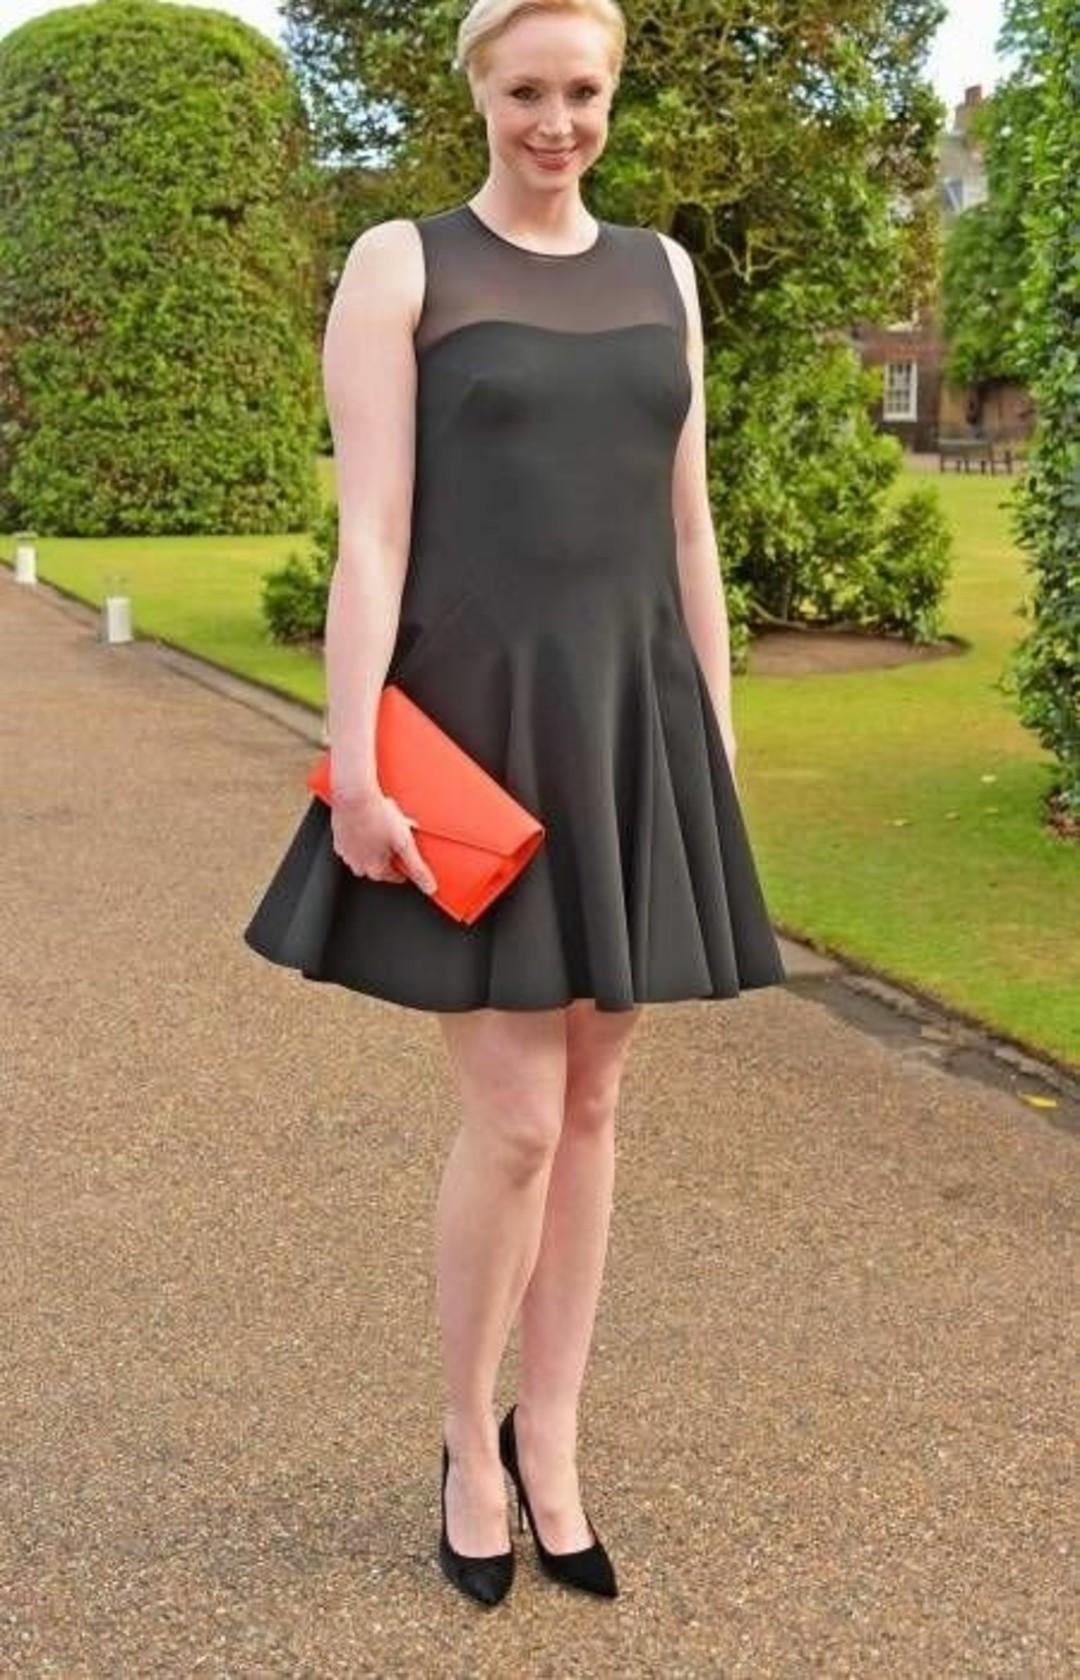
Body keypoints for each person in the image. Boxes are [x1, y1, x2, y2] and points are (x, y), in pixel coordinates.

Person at [243, 0, 787, 1608]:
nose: (559, 122)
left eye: (585, 91)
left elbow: (689, 529)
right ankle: (465, 1443)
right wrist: (353, 756)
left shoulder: (664, 272)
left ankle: (550, 1438)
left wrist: (714, 744)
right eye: (529, 90)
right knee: (520, 1115)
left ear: (614, 95)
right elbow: (373, 536)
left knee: (598, 1102)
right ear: (477, 88)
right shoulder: (402, 266)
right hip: (473, 728)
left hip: (633, 725)